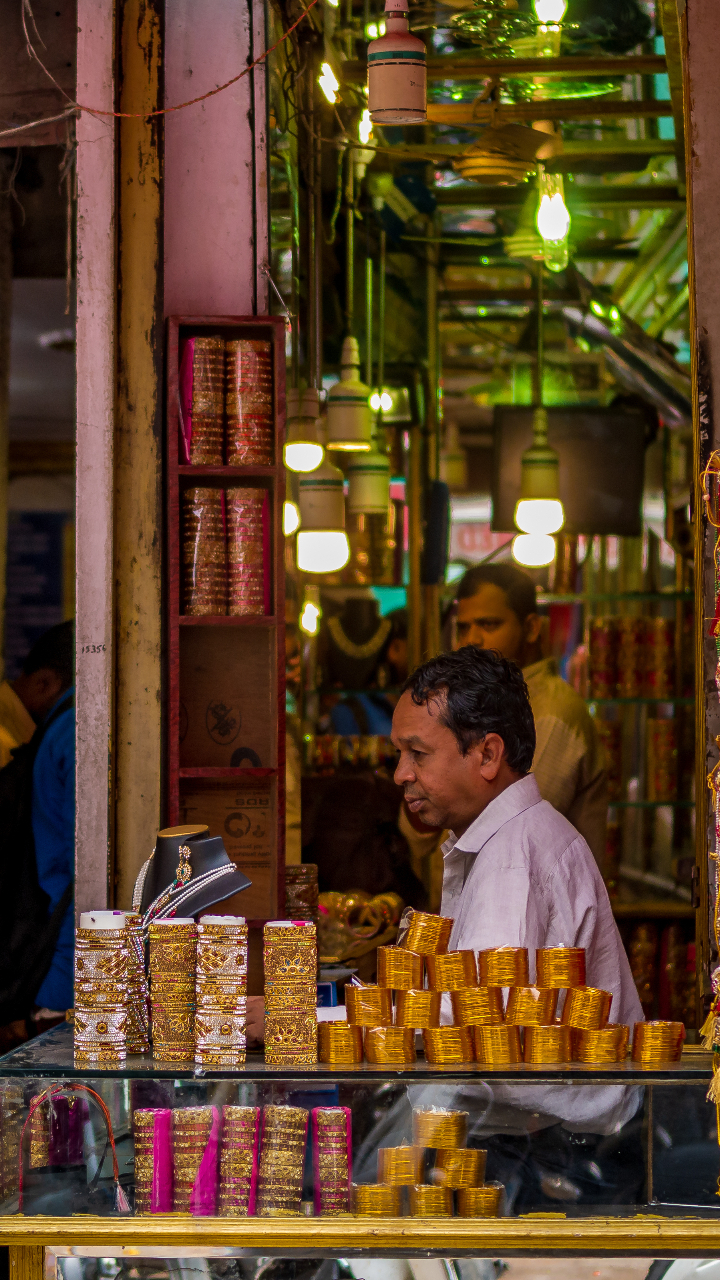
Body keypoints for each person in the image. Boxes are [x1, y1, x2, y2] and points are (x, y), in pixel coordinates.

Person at [389, 646, 644, 1207]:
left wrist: (315, 1020)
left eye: (417, 753)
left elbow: (473, 1030)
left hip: (558, 1156)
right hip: (544, 1141)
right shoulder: (508, 842)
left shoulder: (514, 859)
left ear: (487, 754)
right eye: (400, 754)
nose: (401, 774)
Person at [454, 562, 607, 867]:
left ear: (531, 629)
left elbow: (512, 828)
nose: (472, 639)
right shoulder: (487, 703)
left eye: (489, 624)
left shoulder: (552, 713)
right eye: (463, 627)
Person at [23, 622, 75, 1032]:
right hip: (61, 966)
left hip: (57, 967)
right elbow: (81, 873)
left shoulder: (67, 731)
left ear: (45, 681)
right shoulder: (76, 732)